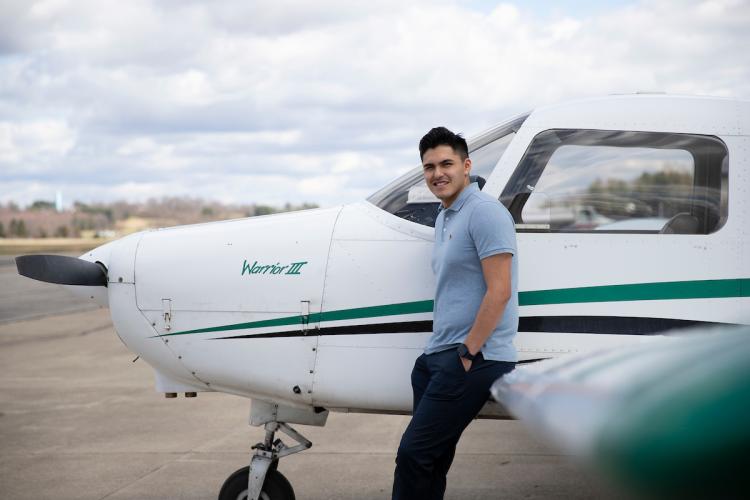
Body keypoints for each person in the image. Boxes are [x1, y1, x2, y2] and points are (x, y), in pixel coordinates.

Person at [392, 127, 518, 500]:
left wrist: (467, 353)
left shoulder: (485, 213)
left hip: (474, 357)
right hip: (438, 356)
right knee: (431, 460)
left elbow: (500, 290)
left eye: (446, 163)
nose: (437, 174)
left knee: (413, 456)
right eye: (429, 167)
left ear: (466, 165)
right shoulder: (446, 216)